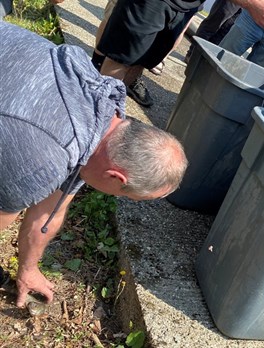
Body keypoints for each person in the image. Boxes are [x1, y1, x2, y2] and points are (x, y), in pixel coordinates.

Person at [0, 22, 188, 308]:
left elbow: (50, 211)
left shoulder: (101, 114)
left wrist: (27, 269)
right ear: (116, 177)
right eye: (127, 196)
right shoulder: (42, 158)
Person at [96, 0, 203, 107]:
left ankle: (109, 106)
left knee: (143, 59)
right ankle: (98, 108)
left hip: (189, 6)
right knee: (120, 58)